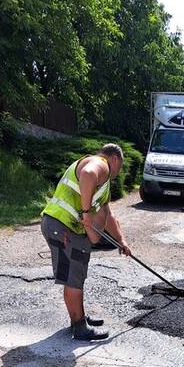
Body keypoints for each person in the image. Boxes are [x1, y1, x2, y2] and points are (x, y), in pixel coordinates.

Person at [40, 143, 134, 341]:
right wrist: (86, 213)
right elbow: (88, 174)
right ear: (114, 159)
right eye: (120, 165)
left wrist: (121, 241)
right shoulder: (100, 164)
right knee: (73, 278)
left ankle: (78, 318)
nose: (119, 171)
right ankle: (80, 328)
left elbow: (107, 214)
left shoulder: (104, 185)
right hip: (62, 227)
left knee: (76, 275)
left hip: (64, 227)